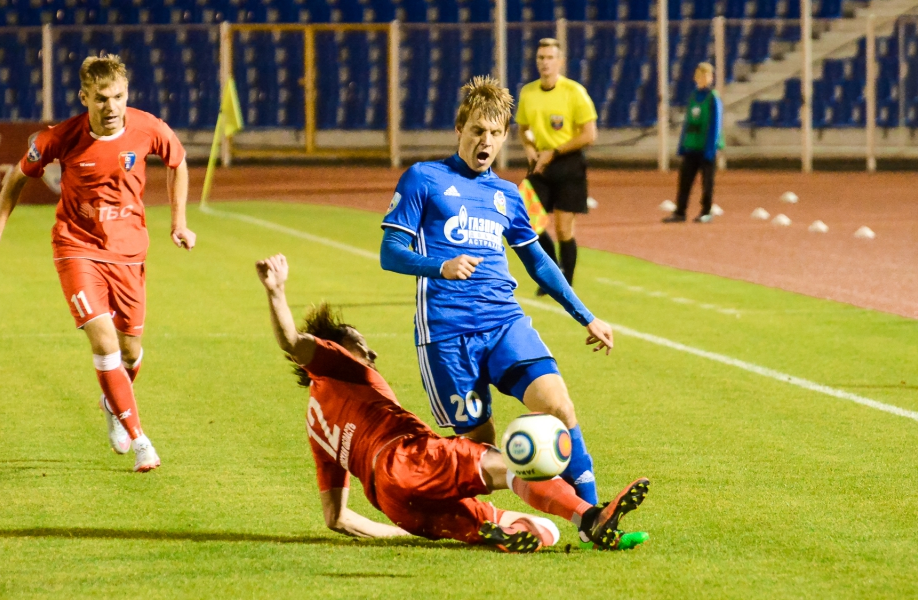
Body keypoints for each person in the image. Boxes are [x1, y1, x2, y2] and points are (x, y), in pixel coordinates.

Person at [255, 253, 650, 552]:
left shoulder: (315, 424)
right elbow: (292, 341)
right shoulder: (339, 368)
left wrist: (402, 533)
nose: (370, 352)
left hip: (396, 503)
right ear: (333, 348)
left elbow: (336, 518)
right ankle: (591, 517)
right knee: (507, 461)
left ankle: (499, 530)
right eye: (359, 344)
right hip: (409, 457)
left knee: (535, 532)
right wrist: (276, 292)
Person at [379, 75, 614, 510]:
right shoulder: (424, 179)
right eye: (476, 131)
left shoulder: (507, 195)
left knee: (559, 406)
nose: (485, 141)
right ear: (459, 131)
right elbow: (390, 252)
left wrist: (587, 316)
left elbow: (540, 263)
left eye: (494, 133)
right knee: (479, 450)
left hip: (504, 323)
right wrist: (439, 266)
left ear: (505, 136)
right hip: (448, 335)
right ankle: (472, 519)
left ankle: (594, 515)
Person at [0, 54, 195, 472]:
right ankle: (141, 439)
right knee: (104, 340)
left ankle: (112, 401)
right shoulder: (60, 137)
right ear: (84, 97)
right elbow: (16, 178)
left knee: (130, 352)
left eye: (119, 97)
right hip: (76, 247)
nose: (111, 107)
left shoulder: (148, 127)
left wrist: (178, 222)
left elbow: (178, 162)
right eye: (101, 99)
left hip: (129, 252)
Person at [516, 38, 598, 288]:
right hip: (541, 163)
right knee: (527, 220)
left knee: (563, 229)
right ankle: (553, 272)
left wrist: (555, 150)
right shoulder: (528, 92)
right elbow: (523, 129)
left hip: (567, 162)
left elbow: (589, 134)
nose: (545, 63)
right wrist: (530, 148)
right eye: (541, 58)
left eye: (550, 58)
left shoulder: (574, 92)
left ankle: (567, 285)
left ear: (560, 62)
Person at [663, 62, 724, 224]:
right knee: (684, 180)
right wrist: (683, 145)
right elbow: (688, 123)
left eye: (707, 76)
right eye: (700, 75)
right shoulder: (693, 96)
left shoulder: (713, 98)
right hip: (691, 146)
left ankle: (706, 211)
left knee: (707, 183)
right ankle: (680, 212)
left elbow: (715, 124)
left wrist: (711, 148)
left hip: (706, 148)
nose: (703, 79)